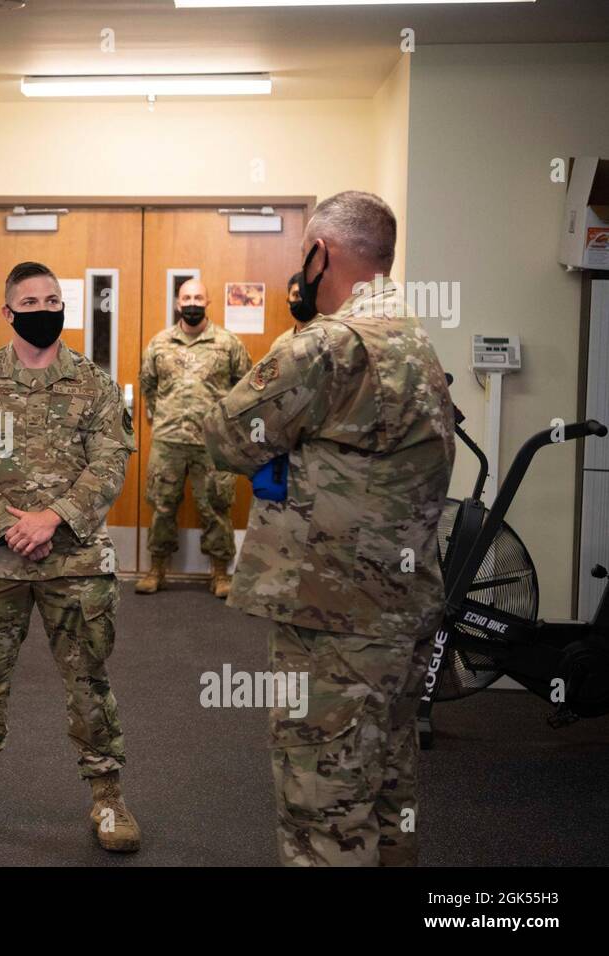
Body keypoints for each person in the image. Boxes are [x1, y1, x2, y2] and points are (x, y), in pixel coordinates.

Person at [203, 190, 456, 866]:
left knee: (323, 806)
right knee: (386, 782)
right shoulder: (415, 340)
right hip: (402, 610)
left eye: (303, 254)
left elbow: (227, 435)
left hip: (335, 614)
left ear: (321, 253)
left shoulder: (329, 343)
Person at [0, 261, 140, 852]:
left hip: (74, 559)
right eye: (32, 301)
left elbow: (111, 462)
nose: (45, 310)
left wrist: (54, 518)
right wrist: (4, 526)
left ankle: (107, 797)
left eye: (54, 300)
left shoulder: (93, 383)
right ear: (8, 312)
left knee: (88, 680)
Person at [136, 278, 251, 598]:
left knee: (216, 506)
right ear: (177, 303)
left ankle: (219, 573)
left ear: (208, 301)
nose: (192, 302)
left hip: (213, 442)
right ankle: (156, 568)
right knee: (161, 505)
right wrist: (163, 417)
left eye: (198, 297)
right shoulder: (159, 343)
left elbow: (245, 388)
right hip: (168, 440)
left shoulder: (229, 343)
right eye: (186, 297)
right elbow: (148, 385)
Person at [269, 271, 307, 351]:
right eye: (296, 295)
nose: (301, 299)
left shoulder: (331, 339)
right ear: (288, 302)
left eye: (306, 294)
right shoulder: (279, 346)